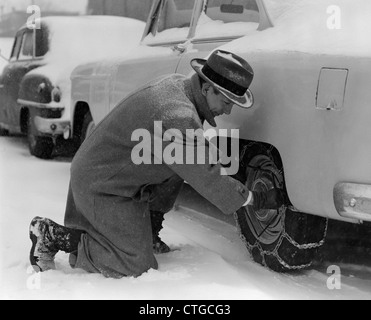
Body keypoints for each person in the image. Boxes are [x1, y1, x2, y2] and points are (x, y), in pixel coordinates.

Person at [29, 50, 285, 279]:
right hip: (101, 184)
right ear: (207, 88)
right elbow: (208, 177)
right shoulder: (177, 115)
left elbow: (191, 156)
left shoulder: (180, 87)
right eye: (227, 102)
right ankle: (54, 235)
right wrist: (254, 198)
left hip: (115, 173)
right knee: (133, 264)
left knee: (178, 165)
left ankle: (148, 231)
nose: (227, 111)